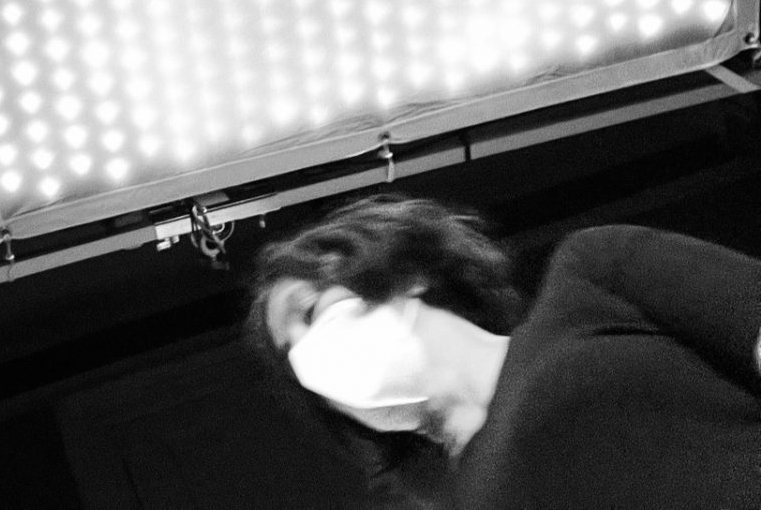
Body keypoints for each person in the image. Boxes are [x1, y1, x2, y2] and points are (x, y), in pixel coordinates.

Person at [246, 194, 761, 508]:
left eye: (309, 311)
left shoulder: (591, 276)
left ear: (403, 273)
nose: (311, 357)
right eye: (294, 355)